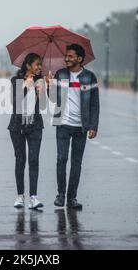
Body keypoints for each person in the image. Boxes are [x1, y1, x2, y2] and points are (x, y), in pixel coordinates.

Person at [46, 43, 100, 210]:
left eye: (70, 56)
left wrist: (93, 126)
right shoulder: (60, 74)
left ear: (79, 59)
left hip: (81, 126)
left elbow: (94, 104)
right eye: (66, 56)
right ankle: (60, 195)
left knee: (77, 163)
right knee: (61, 160)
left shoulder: (89, 77)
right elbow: (53, 99)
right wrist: (49, 86)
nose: (66, 59)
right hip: (62, 123)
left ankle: (72, 198)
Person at [8, 53, 46, 209]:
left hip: (35, 125)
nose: (39, 67)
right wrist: (26, 87)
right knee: (20, 160)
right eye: (37, 64)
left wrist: (44, 89)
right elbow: (15, 103)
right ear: (28, 65)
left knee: (34, 160)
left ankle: (33, 198)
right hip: (17, 126)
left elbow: (43, 105)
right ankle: (20, 196)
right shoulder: (15, 80)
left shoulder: (40, 81)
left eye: (40, 65)